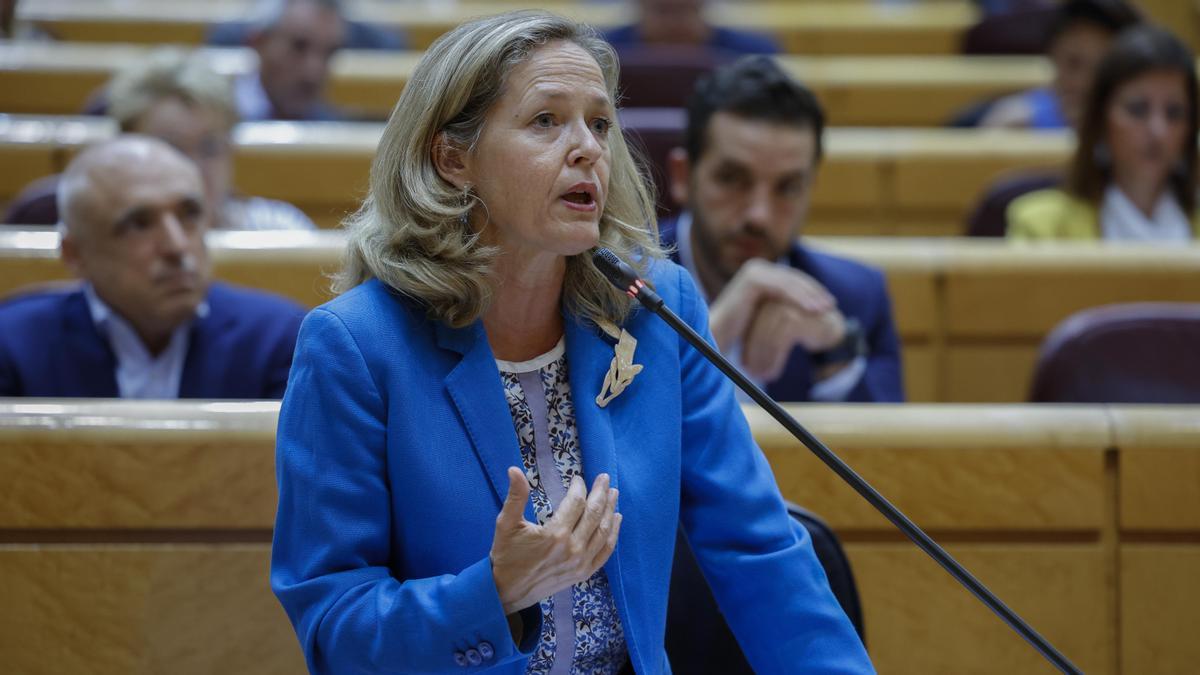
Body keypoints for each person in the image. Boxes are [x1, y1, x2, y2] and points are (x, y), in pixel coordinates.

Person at [271, 10, 872, 675]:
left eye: (601, 123)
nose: (588, 146)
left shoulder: (655, 308)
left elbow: (757, 549)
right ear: (453, 158)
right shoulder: (355, 346)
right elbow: (334, 630)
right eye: (546, 121)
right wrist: (492, 591)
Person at [661, 56, 903, 403]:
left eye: (788, 187)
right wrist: (711, 336)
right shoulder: (614, 285)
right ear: (683, 176)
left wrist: (835, 356)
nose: (758, 215)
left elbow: (894, 456)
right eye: (732, 179)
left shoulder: (857, 298)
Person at [0, 135, 305, 398]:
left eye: (189, 215)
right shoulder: (13, 346)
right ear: (75, 254)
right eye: (139, 224)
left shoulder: (278, 339)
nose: (177, 246)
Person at [1007, 25, 1199, 242]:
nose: (1158, 131)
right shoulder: (1041, 227)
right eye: (1138, 109)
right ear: (1100, 119)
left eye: (1174, 113)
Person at [107, 48, 317, 231]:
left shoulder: (281, 228)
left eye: (209, 148)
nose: (194, 168)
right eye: (172, 151)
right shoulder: (101, 237)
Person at [978, 0, 1141, 129]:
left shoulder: (1141, 128)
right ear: (1052, 56)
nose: (1085, 82)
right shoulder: (1012, 125)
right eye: (1073, 63)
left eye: (1102, 67)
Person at [233, 0, 347, 121]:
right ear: (257, 42)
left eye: (330, 52)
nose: (313, 73)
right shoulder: (216, 120)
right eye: (299, 46)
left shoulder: (335, 129)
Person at [603, 0, 778, 56]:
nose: (672, 24)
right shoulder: (603, 52)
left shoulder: (754, 54)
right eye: (663, 12)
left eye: (682, 11)